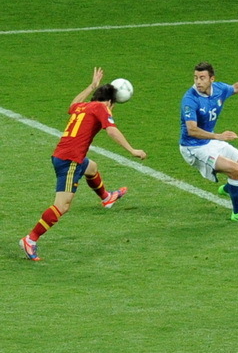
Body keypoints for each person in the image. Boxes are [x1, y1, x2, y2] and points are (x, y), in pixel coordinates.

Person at [19, 68, 147, 261]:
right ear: (111, 102)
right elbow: (112, 131)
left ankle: (106, 197)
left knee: (92, 167)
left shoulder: (83, 107)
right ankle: (31, 239)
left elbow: (73, 104)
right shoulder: (102, 108)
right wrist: (132, 150)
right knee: (62, 206)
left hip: (64, 155)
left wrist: (91, 86)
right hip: (70, 161)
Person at [179, 62, 238, 224]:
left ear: (212, 79)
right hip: (193, 147)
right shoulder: (190, 100)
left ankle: (229, 188)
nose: (198, 82)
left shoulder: (219, 89)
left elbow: (236, 87)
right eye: (196, 78)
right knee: (235, 170)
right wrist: (218, 136)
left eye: (202, 78)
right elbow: (192, 130)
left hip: (211, 141)